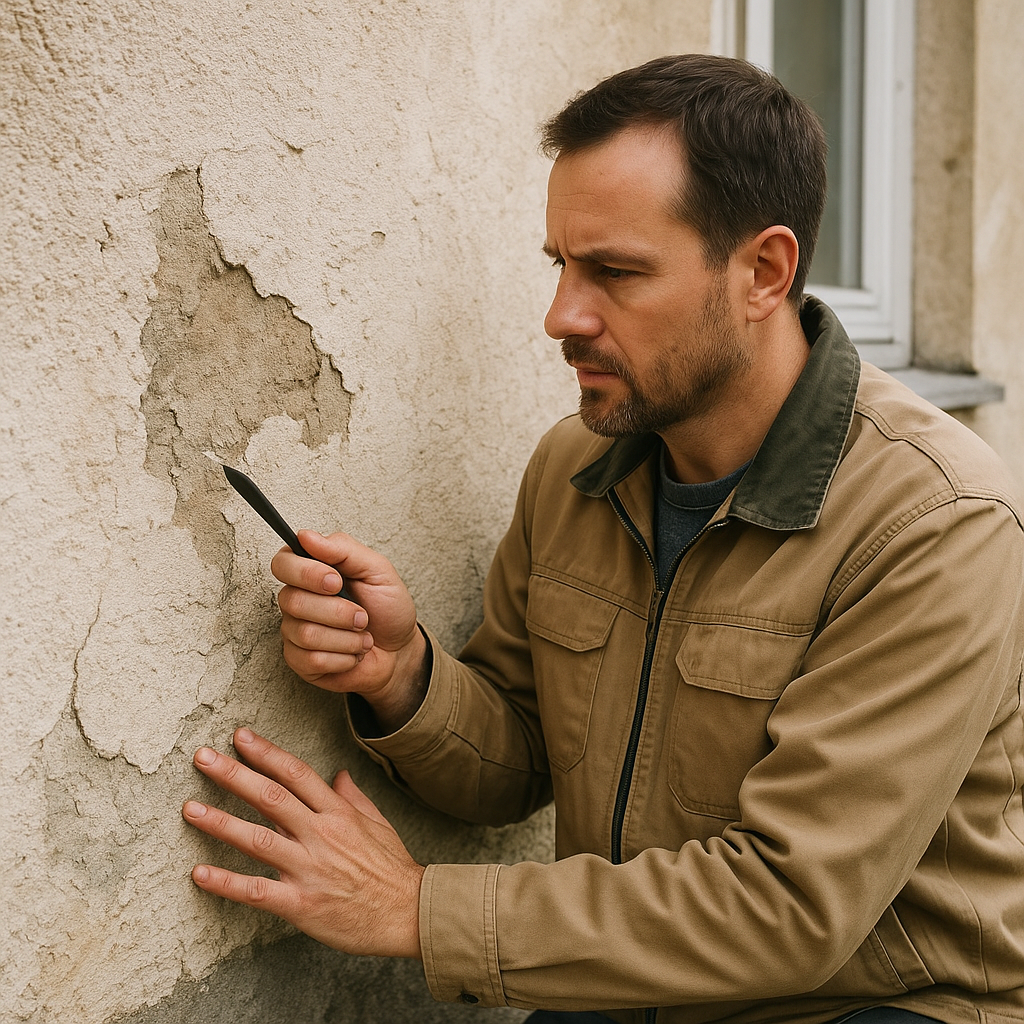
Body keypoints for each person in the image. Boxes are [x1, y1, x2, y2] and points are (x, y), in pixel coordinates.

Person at [182, 55, 1024, 1024]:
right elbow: (525, 756)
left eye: (614, 272)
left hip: (879, 1004)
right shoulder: (576, 467)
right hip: (631, 986)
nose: (560, 317)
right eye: (560, 265)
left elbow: (792, 907)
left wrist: (415, 907)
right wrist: (400, 673)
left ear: (764, 270)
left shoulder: (933, 520)